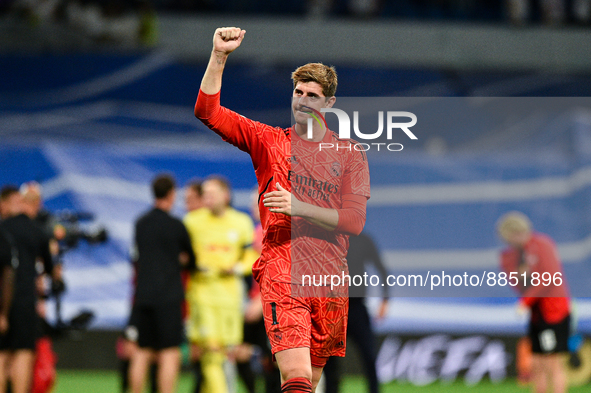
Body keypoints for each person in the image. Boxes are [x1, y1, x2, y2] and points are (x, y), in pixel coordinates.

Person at [194, 27, 370, 393]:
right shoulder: (269, 142)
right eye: (298, 92)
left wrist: (299, 206)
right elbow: (207, 111)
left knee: (310, 381)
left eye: (312, 95)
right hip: (283, 266)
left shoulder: (350, 154)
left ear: (328, 104)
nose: (302, 100)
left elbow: (354, 222)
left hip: (330, 277)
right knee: (295, 376)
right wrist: (219, 56)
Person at [183, 175, 255, 393]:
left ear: (226, 195)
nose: (208, 198)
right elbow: (181, 254)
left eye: (212, 194)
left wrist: (236, 268)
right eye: (205, 194)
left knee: (226, 354)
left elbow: (251, 255)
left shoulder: (241, 222)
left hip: (230, 298)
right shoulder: (192, 222)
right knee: (211, 354)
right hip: (202, 295)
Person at [128, 174, 196, 393]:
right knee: (169, 352)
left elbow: (139, 257)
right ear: (171, 194)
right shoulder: (177, 226)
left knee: (142, 351)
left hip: (144, 295)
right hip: (168, 297)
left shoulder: (140, 223)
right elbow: (192, 260)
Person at [497, 211, 571, 393]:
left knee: (552, 363)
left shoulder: (541, 245)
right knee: (536, 364)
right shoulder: (515, 255)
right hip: (537, 314)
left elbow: (549, 278)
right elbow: (518, 285)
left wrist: (525, 301)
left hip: (553, 314)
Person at [0, 185, 60, 393]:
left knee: (2, 355)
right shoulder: (38, 232)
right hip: (24, 300)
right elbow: (51, 270)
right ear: (36, 204)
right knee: (23, 354)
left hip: (1, 301)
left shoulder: (3, 228)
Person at [323, 231, 389, 393]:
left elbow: (381, 269)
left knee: (369, 355)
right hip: (333, 309)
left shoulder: (363, 240)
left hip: (357, 307)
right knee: (329, 361)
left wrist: (385, 300)